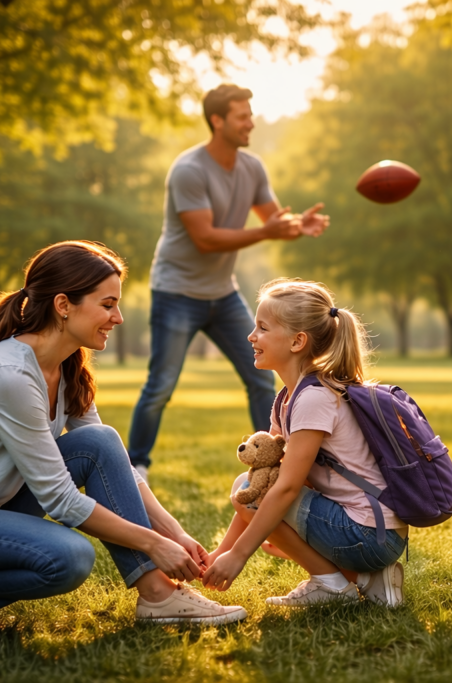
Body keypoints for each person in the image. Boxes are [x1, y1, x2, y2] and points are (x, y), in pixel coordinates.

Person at [0, 241, 246, 632]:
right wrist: (152, 543)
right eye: (107, 305)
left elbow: (110, 462)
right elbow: (60, 500)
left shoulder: (66, 366)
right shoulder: (10, 376)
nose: (118, 317)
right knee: (68, 557)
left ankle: (157, 595)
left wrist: (174, 531)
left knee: (100, 441)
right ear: (63, 304)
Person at [128, 84, 330, 482]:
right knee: (161, 384)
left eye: (250, 114)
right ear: (217, 120)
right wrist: (269, 231)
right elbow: (206, 238)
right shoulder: (189, 170)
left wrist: (296, 227)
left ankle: (275, 456)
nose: (250, 122)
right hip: (176, 291)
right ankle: (136, 465)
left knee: (260, 375)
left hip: (222, 292)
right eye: (242, 116)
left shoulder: (251, 167)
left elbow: (273, 220)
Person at [200, 279, 407, 607]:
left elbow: (283, 489)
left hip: (368, 536)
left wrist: (238, 556)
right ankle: (368, 580)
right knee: (255, 489)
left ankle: (331, 585)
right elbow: (267, 476)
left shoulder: (313, 399)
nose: (252, 336)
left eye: (263, 328)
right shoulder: (289, 397)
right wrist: (219, 554)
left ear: (297, 341)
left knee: (251, 488)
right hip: (374, 534)